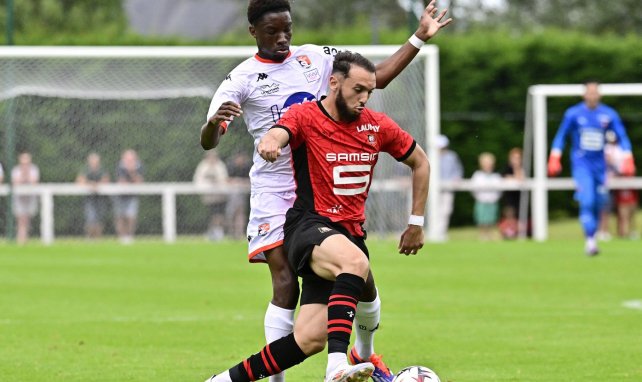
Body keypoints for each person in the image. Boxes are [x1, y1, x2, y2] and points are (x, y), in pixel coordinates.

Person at [200, 1, 451, 381]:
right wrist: (218, 126)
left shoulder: (317, 59)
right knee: (285, 282)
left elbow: (373, 77)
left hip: (325, 183)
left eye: (288, 28)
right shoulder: (242, 79)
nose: (283, 38)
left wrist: (418, 38)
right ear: (254, 32)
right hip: (278, 189)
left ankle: (361, 358)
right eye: (273, 31)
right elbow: (210, 140)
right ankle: (292, 376)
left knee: (352, 294)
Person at [547, 80, 636, 255]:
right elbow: (561, 136)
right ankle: (590, 241)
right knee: (587, 200)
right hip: (582, 165)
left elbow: (622, 136)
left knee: (599, 203)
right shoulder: (573, 113)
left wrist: (628, 156)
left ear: (599, 95)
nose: (592, 95)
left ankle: (592, 237)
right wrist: (555, 156)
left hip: (601, 167)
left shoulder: (608, 114)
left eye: (595, 92)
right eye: (590, 92)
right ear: (584, 94)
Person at [604, 131, 639, 239]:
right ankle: (604, 232)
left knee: (627, 207)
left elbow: (629, 166)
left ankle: (626, 232)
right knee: (606, 207)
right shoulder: (605, 148)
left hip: (623, 180)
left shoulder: (623, 149)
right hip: (609, 181)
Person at [194, 151, 230, 241]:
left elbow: (224, 179)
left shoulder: (220, 166)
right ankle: (213, 232)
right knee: (213, 215)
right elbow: (198, 180)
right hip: (209, 196)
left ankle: (218, 232)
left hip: (220, 196)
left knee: (218, 215)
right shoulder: (203, 166)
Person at [434, 134, 463, 242]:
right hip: (433, 190)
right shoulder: (430, 156)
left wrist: (457, 177)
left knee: (446, 210)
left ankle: (441, 233)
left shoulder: (452, 156)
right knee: (434, 210)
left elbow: (458, 170)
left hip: (447, 188)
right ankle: (433, 232)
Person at [76, 152, 111, 239]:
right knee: (90, 218)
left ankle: (98, 238)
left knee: (99, 220)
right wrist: (92, 184)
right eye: (92, 161)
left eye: (96, 161)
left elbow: (106, 180)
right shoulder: (85, 170)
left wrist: (93, 185)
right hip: (89, 199)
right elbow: (79, 181)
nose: (94, 163)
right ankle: (90, 237)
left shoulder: (102, 170)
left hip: (100, 199)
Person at [114, 149, 144, 244]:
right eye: (127, 159)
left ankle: (130, 236)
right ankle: (121, 237)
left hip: (132, 196)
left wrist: (132, 171)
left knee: (131, 216)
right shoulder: (120, 166)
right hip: (120, 196)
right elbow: (121, 181)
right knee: (120, 216)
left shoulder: (139, 166)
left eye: (131, 159)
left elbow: (139, 181)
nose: (129, 161)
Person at [471, 152, 502, 241]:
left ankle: (490, 235)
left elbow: (499, 190)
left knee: (491, 219)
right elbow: (474, 189)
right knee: (481, 219)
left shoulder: (496, 176)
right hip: (481, 201)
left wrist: (494, 198)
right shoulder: (477, 175)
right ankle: (482, 236)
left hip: (492, 201)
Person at [499, 147, 529, 239]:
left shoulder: (524, 168)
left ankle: (522, 234)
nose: (516, 160)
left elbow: (521, 178)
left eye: (518, 158)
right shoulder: (506, 168)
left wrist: (517, 169)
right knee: (510, 217)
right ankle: (509, 235)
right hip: (509, 199)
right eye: (514, 158)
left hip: (520, 198)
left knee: (521, 218)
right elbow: (505, 177)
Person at [11, 152, 40, 245]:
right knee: (21, 219)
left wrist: (26, 174)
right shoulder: (16, 170)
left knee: (26, 219)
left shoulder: (34, 169)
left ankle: (24, 238)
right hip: (19, 199)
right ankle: (21, 239)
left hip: (30, 198)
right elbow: (16, 182)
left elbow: (34, 182)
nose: (25, 165)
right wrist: (24, 175)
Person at [225, 152, 252, 239]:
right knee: (231, 213)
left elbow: (249, 180)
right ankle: (231, 232)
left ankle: (239, 232)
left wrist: (240, 182)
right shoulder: (231, 166)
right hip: (231, 194)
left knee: (240, 213)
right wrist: (237, 181)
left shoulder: (246, 167)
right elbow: (227, 180)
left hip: (243, 194)